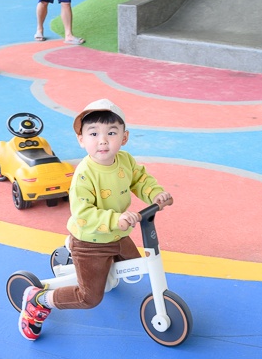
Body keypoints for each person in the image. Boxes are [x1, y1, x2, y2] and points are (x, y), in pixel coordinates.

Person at [17, 99, 174, 341]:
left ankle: (76, 257)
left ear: (124, 137)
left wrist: (155, 193)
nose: (103, 140)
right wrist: (116, 218)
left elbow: (140, 179)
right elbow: (83, 213)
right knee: (90, 297)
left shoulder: (125, 160)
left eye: (111, 132)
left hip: (117, 233)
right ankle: (39, 300)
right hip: (91, 239)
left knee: (134, 265)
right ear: (81, 140)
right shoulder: (84, 174)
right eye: (93, 133)